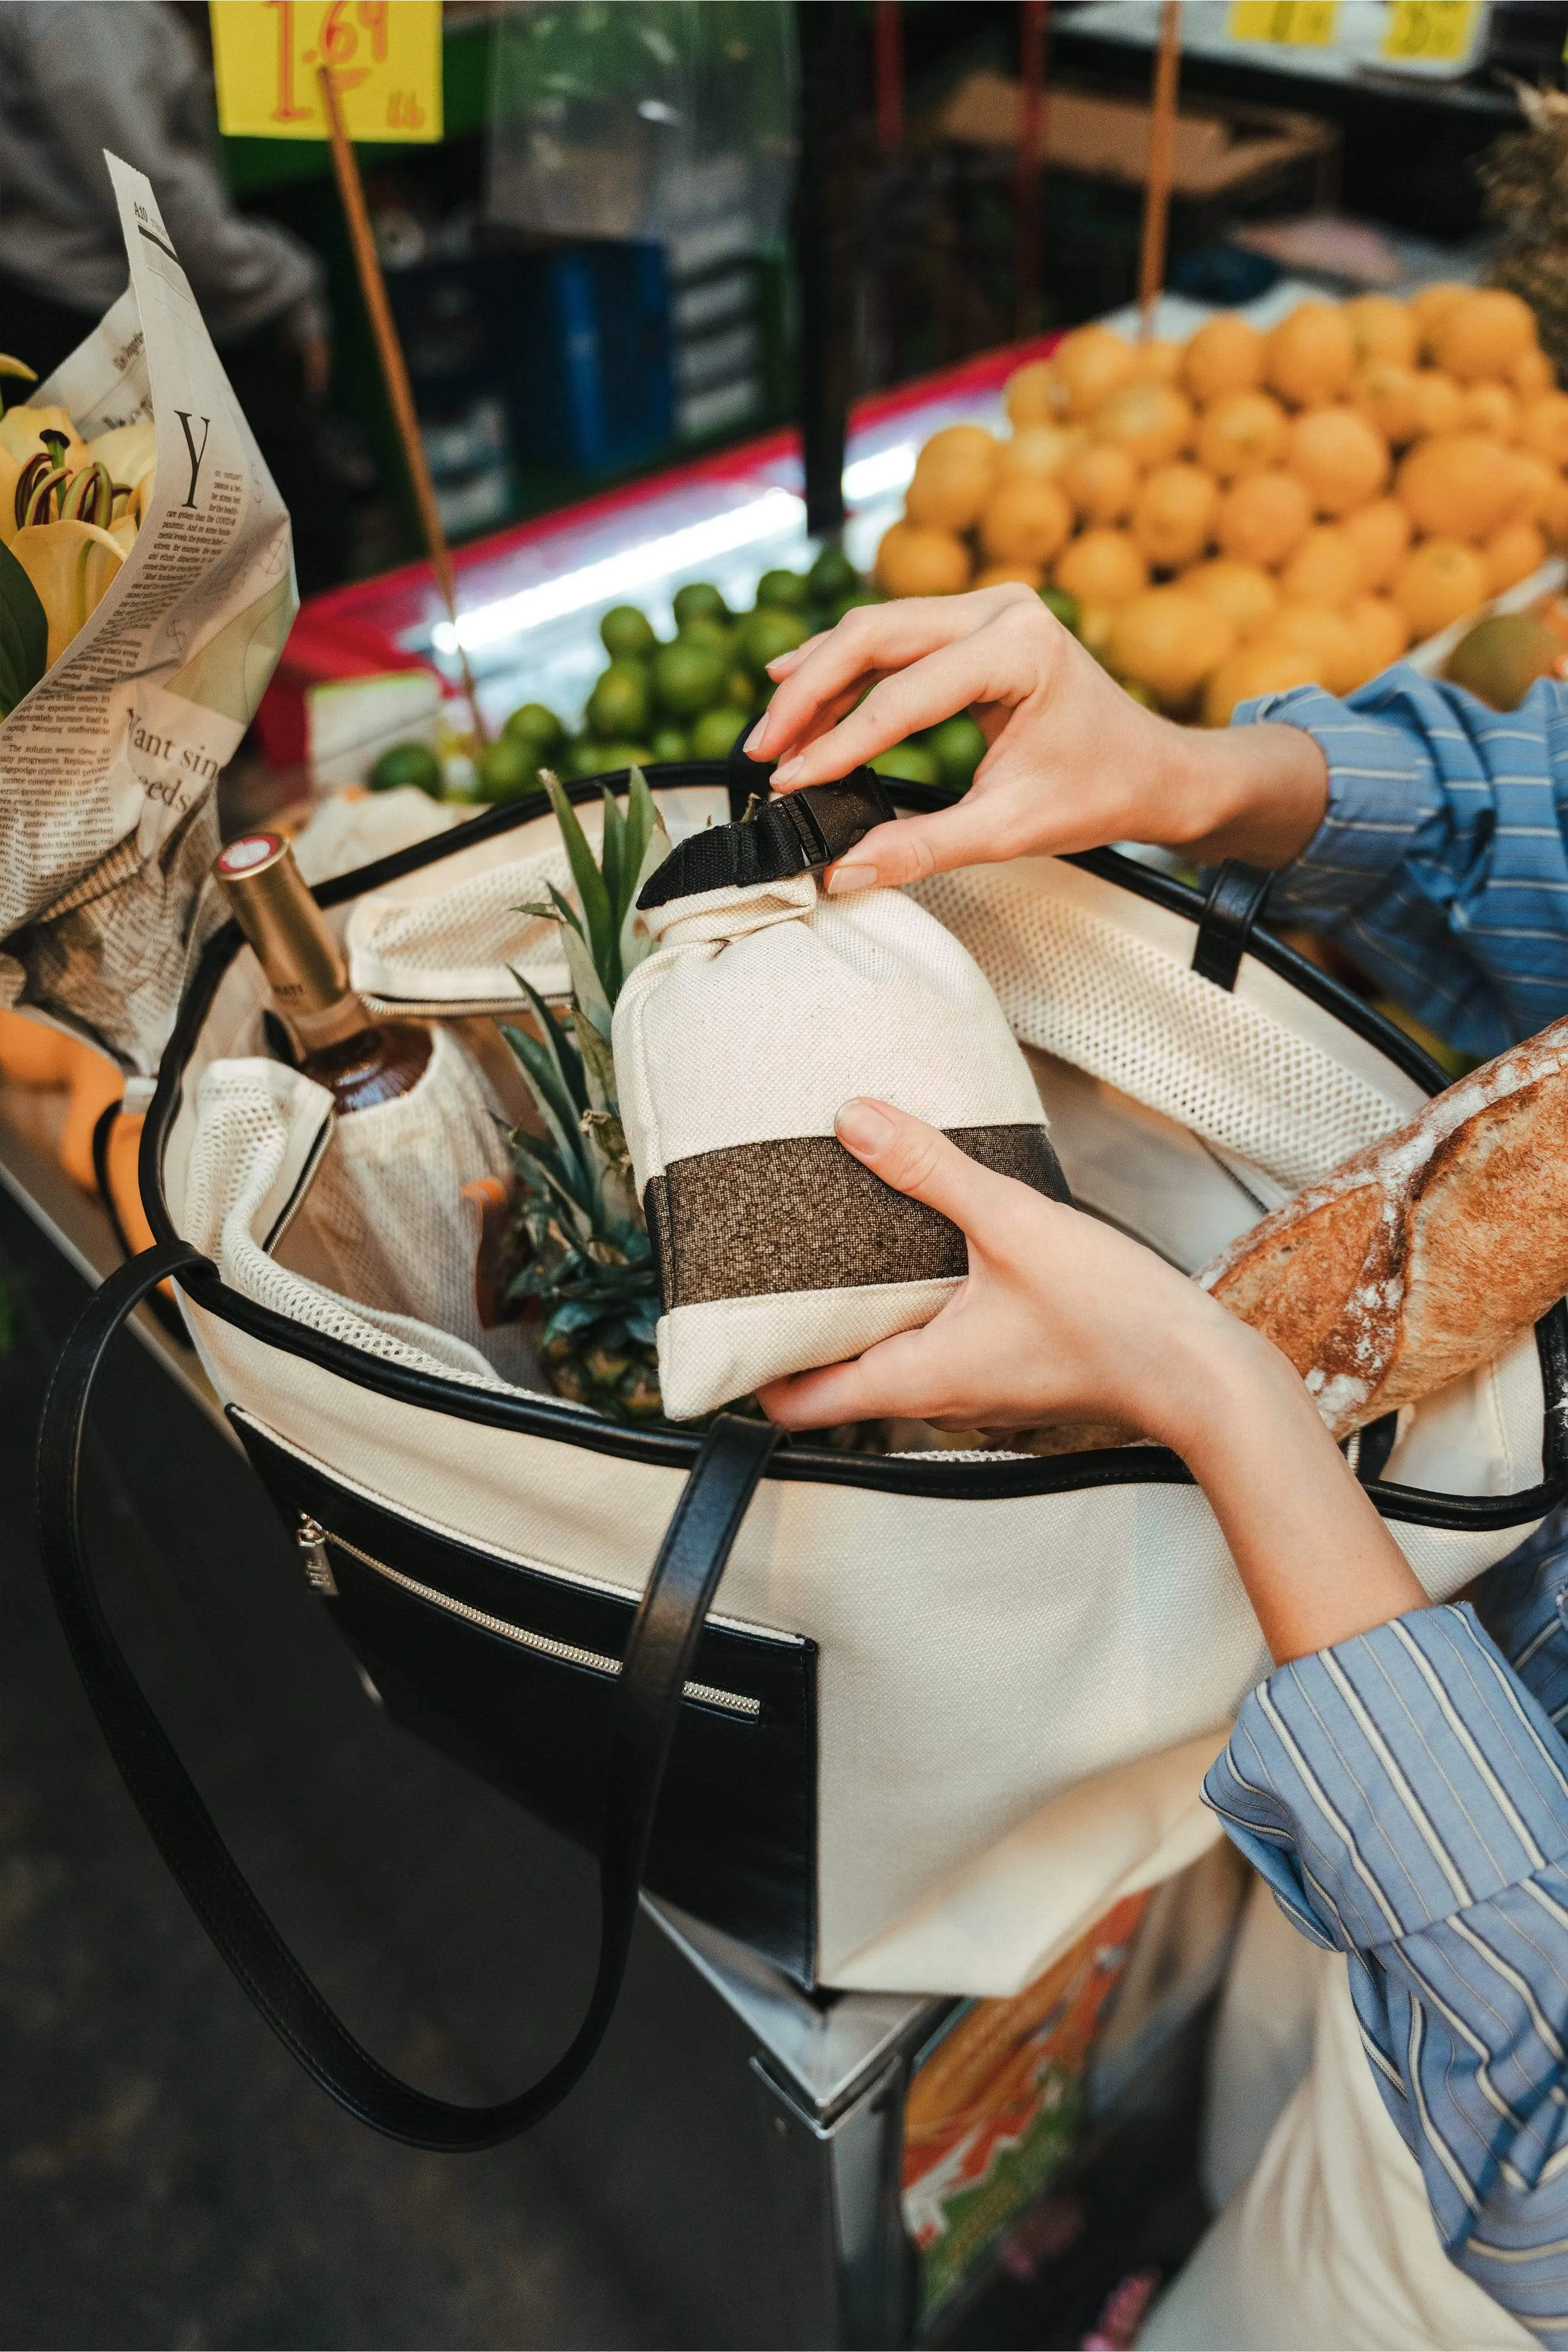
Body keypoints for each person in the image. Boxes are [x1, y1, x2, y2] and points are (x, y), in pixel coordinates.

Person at [741, 583, 1568, 2350]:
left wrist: (1215, 1387)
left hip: (1506, 2137)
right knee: (1265, 2075)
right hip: (1434, 1678)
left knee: (1315, 2279)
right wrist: (1199, 773)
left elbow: (1552, 2172)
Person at [0, 1, 346, 592]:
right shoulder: (77, 16)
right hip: (108, 317)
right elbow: (150, 199)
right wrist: (286, 286)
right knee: (278, 568)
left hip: (73, 306)